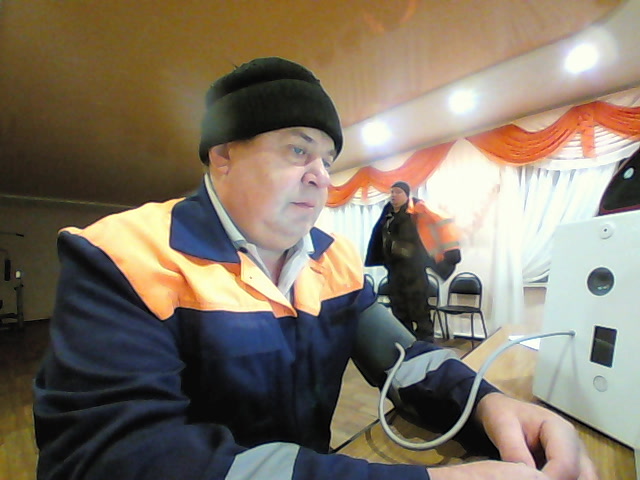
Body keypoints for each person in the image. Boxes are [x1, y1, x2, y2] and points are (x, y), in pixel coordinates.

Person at [33, 57, 597, 480]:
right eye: (298, 151)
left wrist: (491, 404)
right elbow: (111, 456)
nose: (322, 176)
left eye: (328, 160)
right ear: (222, 155)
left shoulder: (334, 258)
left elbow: (405, 361)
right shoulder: (120, 256)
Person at [365, 181, 461, 341]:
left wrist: (451, 251)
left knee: (420, 312)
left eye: (398, 192)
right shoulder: (388, 214)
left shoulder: (418, 209)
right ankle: (407, 345)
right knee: (399, 312)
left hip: (415, 272)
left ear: (406, 194)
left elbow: (443, 222)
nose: (393, 195)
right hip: (394, 273)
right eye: (392, 192)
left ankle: (427, 346)